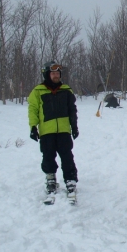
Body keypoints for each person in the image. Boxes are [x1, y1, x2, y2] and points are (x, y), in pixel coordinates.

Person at [28, 61, 79, 202]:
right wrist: (33, 127)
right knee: (48, 156)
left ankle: (70, 180)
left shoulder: (66, 89)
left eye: (58, 73)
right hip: (47, 131)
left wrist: (74, 126)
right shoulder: (38, 91)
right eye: (53, 73)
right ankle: (50, 179)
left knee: (67, 156)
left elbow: (72, 109)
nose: (56, 75)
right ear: (47, 74)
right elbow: (33, 109)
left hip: (63, 130)